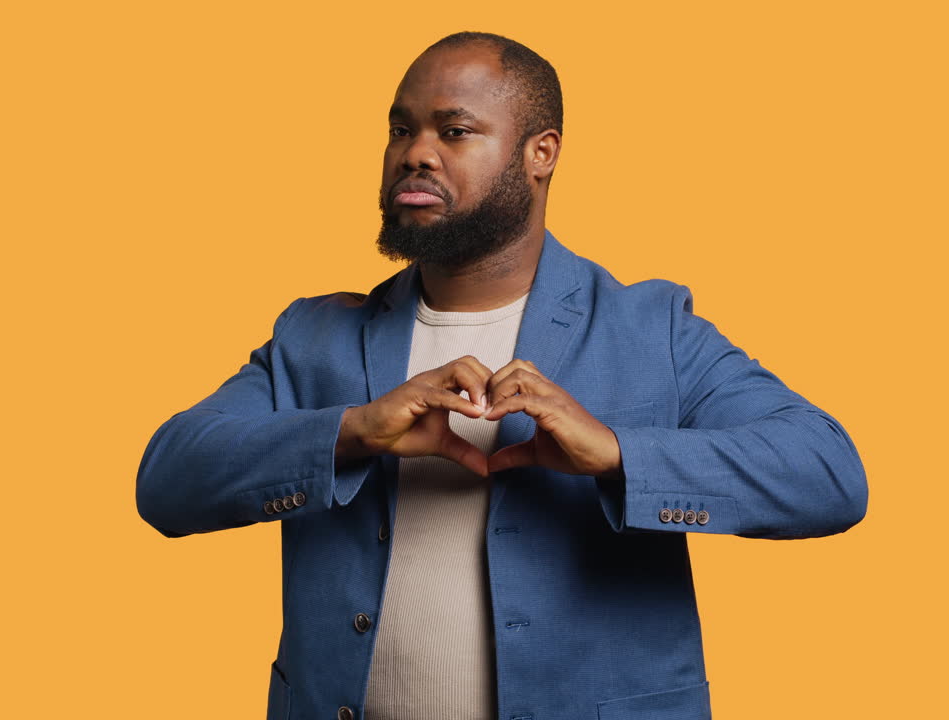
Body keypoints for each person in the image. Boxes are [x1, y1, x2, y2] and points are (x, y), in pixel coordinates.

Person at [135, 30, 868, 720]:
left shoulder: (653, 328)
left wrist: (616, 453)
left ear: (540, 153)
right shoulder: (314, 334)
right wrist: (351, 433)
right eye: (401, 129)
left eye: (453, 131)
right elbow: (166, 479)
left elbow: (828, 472)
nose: (414, 153)